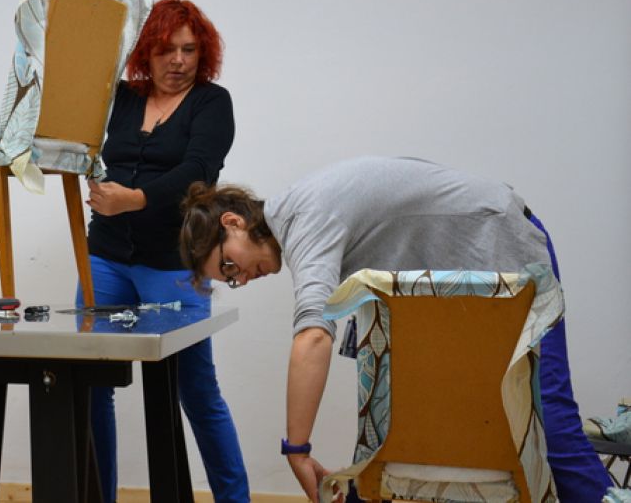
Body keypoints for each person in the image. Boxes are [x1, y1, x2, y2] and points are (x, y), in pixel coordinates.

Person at [179, 155, 611, 503]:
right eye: (230, 279)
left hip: (498, 241)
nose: (241, 278)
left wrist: (297, 449)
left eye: (230, 265)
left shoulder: (304, 217)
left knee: (547, 420)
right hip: (461, 277)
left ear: (233, 222)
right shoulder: (301, 212)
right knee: (402, 422)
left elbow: (313, 335)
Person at [79, 0, 249, 502]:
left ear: (204, 53)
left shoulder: (212, 102)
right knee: (90, 386)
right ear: (145, 54)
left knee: (196, 391)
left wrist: (133, 198)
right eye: (165, 50)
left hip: (173, 264)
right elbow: (80, 144)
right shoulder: (121, 97)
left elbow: (198, 170)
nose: (178, 61)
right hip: (105, 258)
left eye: (189, 50)